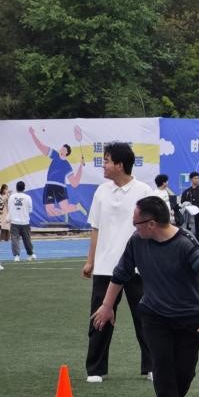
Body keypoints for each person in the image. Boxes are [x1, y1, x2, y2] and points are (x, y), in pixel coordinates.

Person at [92, 196, 199, 397]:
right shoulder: (137, 241)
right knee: (163, 367)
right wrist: (107, 306)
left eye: (136, 223)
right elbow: (120, 274)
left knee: (184, 374)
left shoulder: (185, 244)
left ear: (151, 224)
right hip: (154, 315)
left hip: (190, 318)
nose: (134, 227)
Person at [83, 142, 155, 383]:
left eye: (106, 161)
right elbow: (95, 228)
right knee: (100, 317)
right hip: (105, 267)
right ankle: (95, 369)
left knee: (145, 317)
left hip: (138, 268)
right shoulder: (101, 192)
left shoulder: (144, 191)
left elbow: (152, 229)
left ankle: (152, 366)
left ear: (120, 165)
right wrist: (90, 261)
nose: (103, 165)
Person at [28, 128, 85, 219]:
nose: (61, 150)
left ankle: (77, 207)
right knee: (50, 213)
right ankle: (65, 212)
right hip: (49, 186)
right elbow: (41, 147)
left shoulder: (67, 165)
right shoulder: (54, 155)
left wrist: (81, 166)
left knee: (66, 208)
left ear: (67, 153)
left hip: (60, 187)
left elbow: (74, 183)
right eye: (61, 148)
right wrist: (33, 134)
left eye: (64, 149)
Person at [180, 171, 199, 250]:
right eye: (195, 178)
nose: (197, 180)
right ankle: (189, 249)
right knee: (189, 233)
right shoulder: (186, 192)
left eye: (198, 178)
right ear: (191, 179)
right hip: (189, 218)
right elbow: (182, 204)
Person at [9, 180, 36, 261]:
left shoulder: (11, 197)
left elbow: (9, 208)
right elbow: (30, 210)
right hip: (25, 221)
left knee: (15, 239)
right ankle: (30, 254)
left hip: (14, 222)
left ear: (16, 188)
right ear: (24, 188)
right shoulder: (28, 197)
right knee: (27, 239)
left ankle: (16, 256)